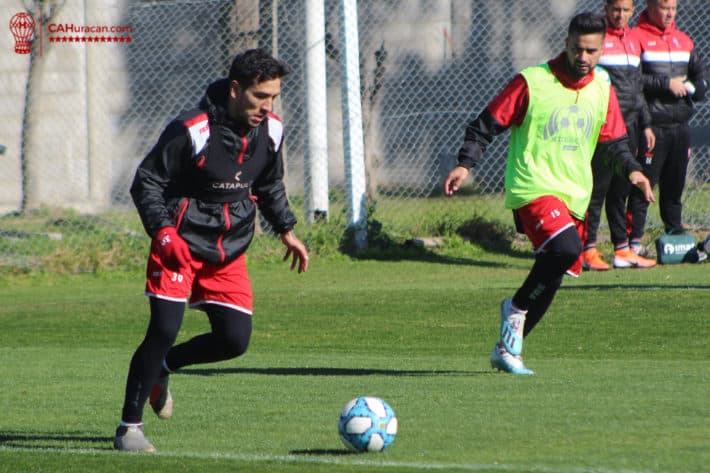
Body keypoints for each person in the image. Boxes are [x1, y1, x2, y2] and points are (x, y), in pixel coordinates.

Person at [114, 49, 309, 452]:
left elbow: (269, 185)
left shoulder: (271, 131)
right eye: (260, 96)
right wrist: (164, 233)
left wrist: (287, 230)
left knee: (234, 340)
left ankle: (164, 368)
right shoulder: (193, 130)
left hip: (229, 248)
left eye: (273, 97)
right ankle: (129, 429)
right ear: (236, 90)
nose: (267, 106)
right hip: (179, 245)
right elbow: (146, 182)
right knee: (164, 329)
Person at [444, 12, 654, 375]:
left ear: (602, 50)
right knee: (568, 249)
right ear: (566, 44)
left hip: (574, 197)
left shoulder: (603, 87)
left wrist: (634, 170)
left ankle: (508, 351)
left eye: (590, 50)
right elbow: (485, 124)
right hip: (532, 188)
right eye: (577, 49)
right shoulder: (532, 81)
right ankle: (514, 307)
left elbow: (615, 144)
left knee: (554, 277)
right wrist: (465, 164)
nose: (583, 57)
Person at [582, 0, 658, 271]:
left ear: (633, 10)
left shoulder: (635, 38)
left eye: (626, 10)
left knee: (622, 189)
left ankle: (622, 249)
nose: (621, 15)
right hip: (604, 128)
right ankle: (587, 249)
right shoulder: (597, 40)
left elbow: (637, 89)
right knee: (597, 190)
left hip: (632, 127)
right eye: (616, 9)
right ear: (606, 8)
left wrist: (646, 124)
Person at [626, 0, 707, 251]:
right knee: (643, 185)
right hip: (650, 126)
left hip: (680, 127)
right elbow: (632, 79)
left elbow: (700, 78)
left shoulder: (684, 40)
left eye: (673, 8)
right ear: (650, 6)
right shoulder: (635, 37)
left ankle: (675, 235)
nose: (669, 13)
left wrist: (691, 88)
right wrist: (666, 84)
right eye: (664, 7)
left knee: (675, 185)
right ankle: (633, 241)